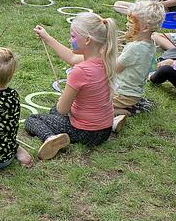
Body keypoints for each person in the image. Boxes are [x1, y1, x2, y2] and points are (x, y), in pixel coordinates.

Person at [28, 14, 118, 158]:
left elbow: (62, 109)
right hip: (105, 129)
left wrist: (63, 100)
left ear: (87, 40)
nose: (70, 40)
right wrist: (47, 37)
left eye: (73, 36)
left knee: (32, 120)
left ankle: (51, 139)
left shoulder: (80, 71)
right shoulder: (106, 59)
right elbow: (71, 57)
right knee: (53, 111)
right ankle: (115, 123)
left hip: (86, 133)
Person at [112, 0, 164, 117]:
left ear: (145, 27)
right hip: (133, 95)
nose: (127, 25)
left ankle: (121, 112)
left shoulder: (135, 48)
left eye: (131, 22)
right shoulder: (150, 44)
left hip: (121, 94)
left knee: (89, 103)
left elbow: (114, 69)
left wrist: (110, 51)